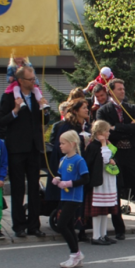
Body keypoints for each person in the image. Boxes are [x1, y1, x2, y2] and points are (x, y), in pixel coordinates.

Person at [0, 65, 53, 238]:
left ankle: (34, 225)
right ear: (20, 81)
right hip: (17, 149)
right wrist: (15, 111)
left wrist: (45, 108)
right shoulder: (8, 97)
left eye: (34, 78)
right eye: (30, 79)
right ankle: (19, 225)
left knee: (34, 188)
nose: (34, 81)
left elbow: (45, 120)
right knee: (18, 188)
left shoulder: (37, 96)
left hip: (34, 147)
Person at [96, 79, 135, 236]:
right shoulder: (103, 111)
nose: (123, 91)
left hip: (132, 154)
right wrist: (126, 128)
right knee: (116, 191)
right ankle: (119, 229)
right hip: (116, 156)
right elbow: (107, 131)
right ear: (111, 91)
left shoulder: (131, 108)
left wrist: (117, 127)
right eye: (119, 89)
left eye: (124, 89)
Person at [48, 99, 91, 241]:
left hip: (82, 165)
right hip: (70, 166)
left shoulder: (85, 126)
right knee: (70, 198)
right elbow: (61, 149)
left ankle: (81, 230)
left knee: (81, 196)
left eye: (87, 107)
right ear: (76, 110)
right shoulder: (67, 127)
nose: (87, 110)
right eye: (84, 108)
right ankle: (68, 227)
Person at [51, 130, 89, 268]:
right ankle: (76, 254)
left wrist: (69, 184)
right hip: (64, 196)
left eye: (63, 143)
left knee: (61, 225)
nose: (60, 146)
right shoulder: (63, 160)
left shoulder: (79, 160)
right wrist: (57, 180)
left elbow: (85, 179)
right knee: (68, 225)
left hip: (74, 198)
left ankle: (75, 253)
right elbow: (61, 175)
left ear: (72, 144)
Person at [85, 120, 125, 244]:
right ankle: (96, 236)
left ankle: (103, 234)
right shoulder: (94, 146)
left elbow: (109, 158)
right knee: (98, 211)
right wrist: (103, 144)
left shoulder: (107, 145)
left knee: (104, 210)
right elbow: (105, 159)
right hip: (99, 183)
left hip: (107, 181)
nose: (109, 133)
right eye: (106, 131)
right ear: (100, 133)